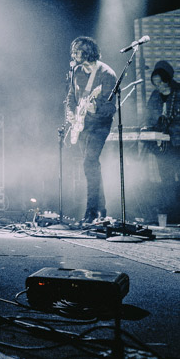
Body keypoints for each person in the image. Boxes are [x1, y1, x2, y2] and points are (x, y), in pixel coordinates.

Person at [65, 36, 117, 224]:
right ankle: (100, 210)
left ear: (88, 52)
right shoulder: (76, 71)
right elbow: (71, 95)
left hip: (99, 126)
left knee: (89, 163)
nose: (74, 54)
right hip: (81, 126)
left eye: (78, 51)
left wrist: (96, 109)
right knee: (91, 167)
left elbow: (111, 109)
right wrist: (70, 113)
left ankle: (91, 211)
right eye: (74, 50)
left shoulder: (106, 74)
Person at [143, 61, 180, 219]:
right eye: (154, 83)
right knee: (166, 178)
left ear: (167, 79)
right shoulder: (154, 96)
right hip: (162, 143)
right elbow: (149, 118)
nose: (157, 86)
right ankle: (171, 210)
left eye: (160, 82)